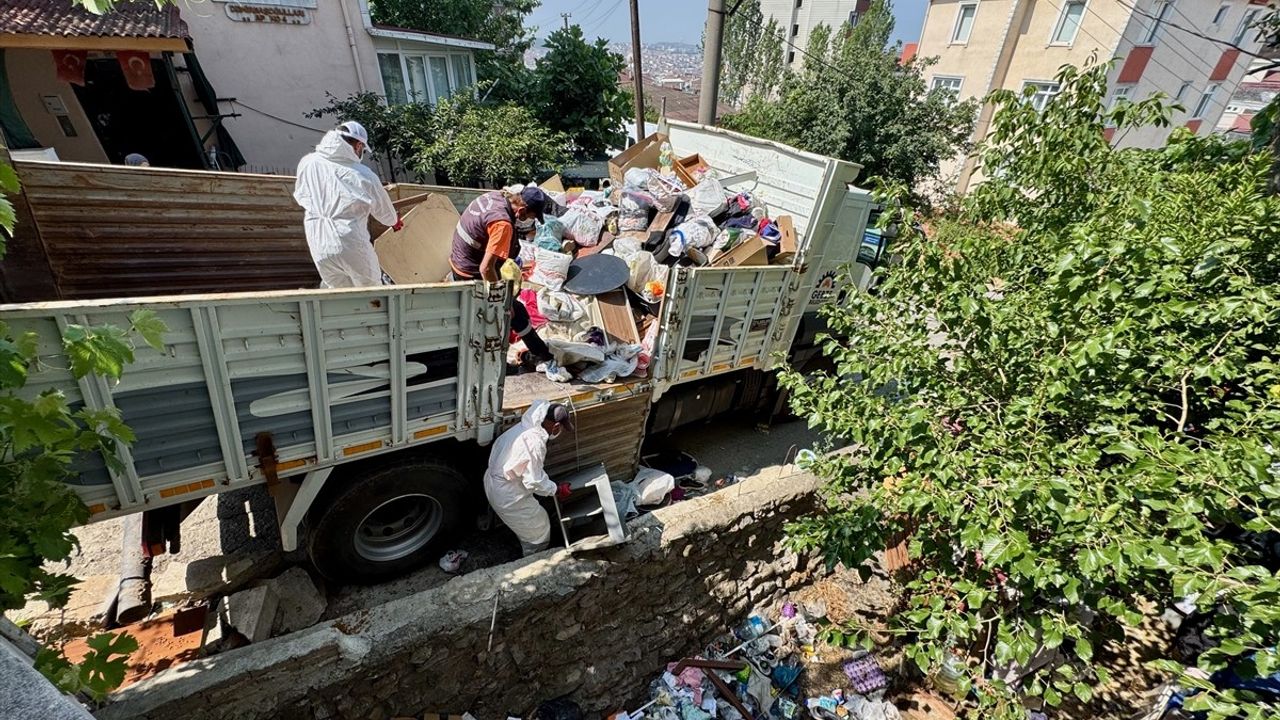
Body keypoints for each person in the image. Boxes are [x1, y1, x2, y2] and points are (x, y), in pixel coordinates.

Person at [448, 186, 552, 364]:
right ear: (521, 210)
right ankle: (542, 355)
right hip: (469, 272)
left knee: (510, 309)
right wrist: (503, 301)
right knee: (513, 312)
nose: (527, 221)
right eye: (529, 217)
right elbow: (486, 269)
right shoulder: (502, 224)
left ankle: (539, 352)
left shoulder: (496, 197)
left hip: (458, 261)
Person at [293, 121, 401, 288]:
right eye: (362, 149)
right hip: (349, 241)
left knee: (341, 298)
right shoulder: (363, 174)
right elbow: (385, 214)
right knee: (372, 293)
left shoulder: (308, 162)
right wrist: (394, 221)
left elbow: (301, 196)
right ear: (358, 145)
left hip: (318, 241)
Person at [483, 400, 574, 556]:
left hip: (495, 482)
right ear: (556, 426)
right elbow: (533, 481)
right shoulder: (534, 443)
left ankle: (520, 538)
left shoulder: (522, 428)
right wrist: (557, 489)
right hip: (508, 495)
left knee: (525, 522)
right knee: (538, 529)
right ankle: (533, 559)